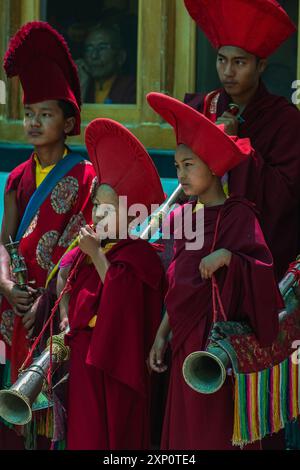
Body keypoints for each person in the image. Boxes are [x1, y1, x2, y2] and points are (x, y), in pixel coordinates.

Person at [147, 92, 283, 450]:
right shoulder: (179, 217)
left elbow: (263, 274)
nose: (181, 174)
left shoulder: (239, 214)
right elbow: (176, 283)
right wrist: (162, 334)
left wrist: (229, 257)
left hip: (218, 344)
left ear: (213, 165)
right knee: (185, 431)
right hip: (184, 341)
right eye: (177, 166)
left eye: (189, 164)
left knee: (215, 430)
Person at [0, 21, 96, 449]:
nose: (34, 122)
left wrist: (48, 296)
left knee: (54, 410)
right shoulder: (18, 177)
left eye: (46, 113)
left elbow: (81, 246)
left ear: (68, 120)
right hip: (15, 308)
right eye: (28, 113)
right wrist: (5, 285)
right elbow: (3, 242)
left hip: (55, 311)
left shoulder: (87, 176)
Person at [58, 118, 166, 450]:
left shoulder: (139, 256)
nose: (99, 217)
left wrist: (98, 256)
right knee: (86, 433)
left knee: (117, 435)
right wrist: (64, 315)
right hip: (84, 354)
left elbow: (124, 304)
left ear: (132, 216)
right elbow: (65, 283)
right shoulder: (91, 251)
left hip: (118, 361)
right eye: (96, 208)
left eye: (109, 209)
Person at [183, 0, 300, 281]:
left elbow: (284, 196)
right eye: (222, 59)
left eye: (239, 62)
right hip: (201, 236)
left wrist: (238, 148)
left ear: (261, 65)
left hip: (253, 251)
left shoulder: (286, 120)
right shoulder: (204, 108)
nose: (228, 72)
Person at [76, 22, 136, 104]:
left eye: (102, 47)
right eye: (89, 48)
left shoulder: (132, 88)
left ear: (120, 57)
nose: (94, 55)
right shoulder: (84, 84)